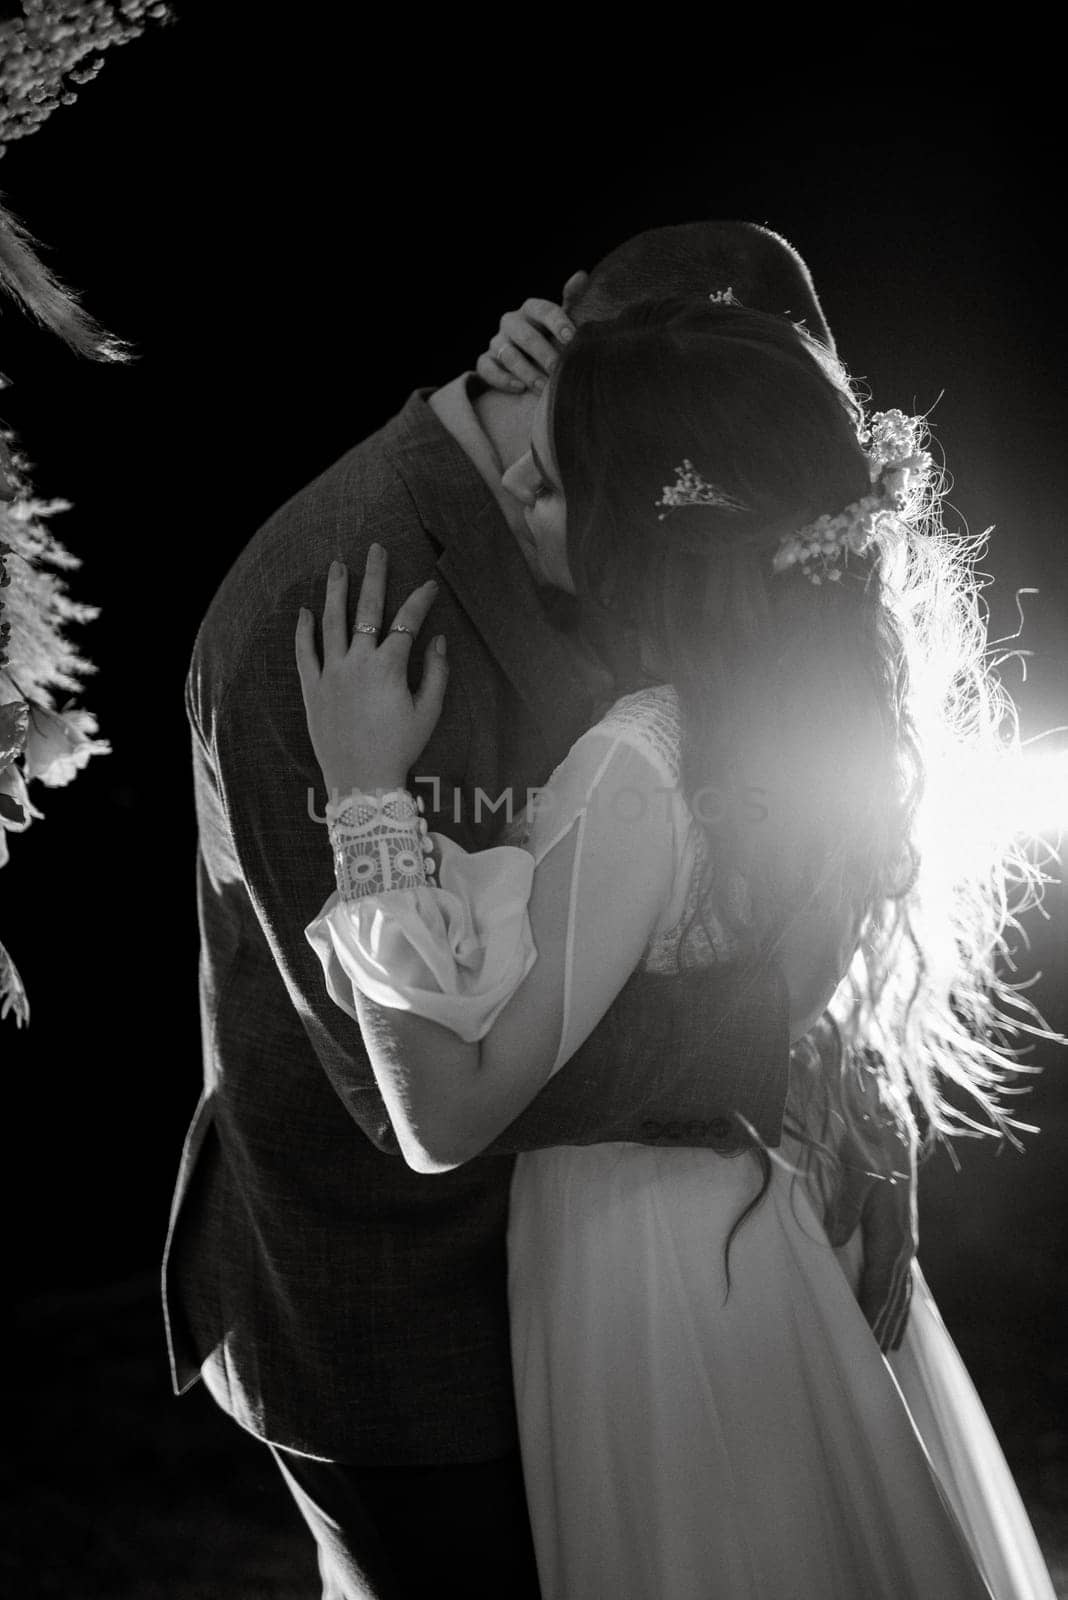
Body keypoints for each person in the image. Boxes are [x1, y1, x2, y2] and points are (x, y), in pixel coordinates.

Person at [164, 222, 914, 1599]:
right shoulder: (326, 611)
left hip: (667, 1286)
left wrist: (833, 1068)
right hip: (405, 1325)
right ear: (564, 327)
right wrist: (774, 1058)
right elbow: (396, 1092)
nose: (527, 479)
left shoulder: (679, 598)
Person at [296, 297, 1057, 1597]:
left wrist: (365, 793)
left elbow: (449, 1112)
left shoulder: (638, 764)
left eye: (559, 471)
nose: (520, 480)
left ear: (644, 529)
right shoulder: (803, 722)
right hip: (755, 1248)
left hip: (652, 1288)